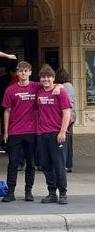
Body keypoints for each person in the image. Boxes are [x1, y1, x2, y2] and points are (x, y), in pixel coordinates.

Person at [2, 61, 39, 202]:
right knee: (13, 163)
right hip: (15, 131)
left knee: (31, 163)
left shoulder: (36, 87)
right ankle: (10, 192)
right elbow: (7, 111)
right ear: (17, 73)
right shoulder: (10, 90)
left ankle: (28, 191)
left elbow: (51, 85)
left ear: (30, 72)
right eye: (21, 71)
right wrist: (5, 132)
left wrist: (59, 85)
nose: (23, 73)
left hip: (31, 131)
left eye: (26, 71)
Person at [36, 65, 72, 205]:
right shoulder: (39, 92)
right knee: (45, 165)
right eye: (43, 77)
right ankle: (52, 193)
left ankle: (63, 193)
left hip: (57, 133)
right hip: (42, 133)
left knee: (59, 165)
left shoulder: (60, 92)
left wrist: (62, 131)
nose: (46, 79)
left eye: (48, 77)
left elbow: (67, 112)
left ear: (53, 78)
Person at [55, 67, 76, 172]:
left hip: (66, 117)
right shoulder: (70, 86)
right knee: (68, 142)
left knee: (63, 142)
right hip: (72, 116)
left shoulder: (62, 87)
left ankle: (65, 164)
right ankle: (69, 163)